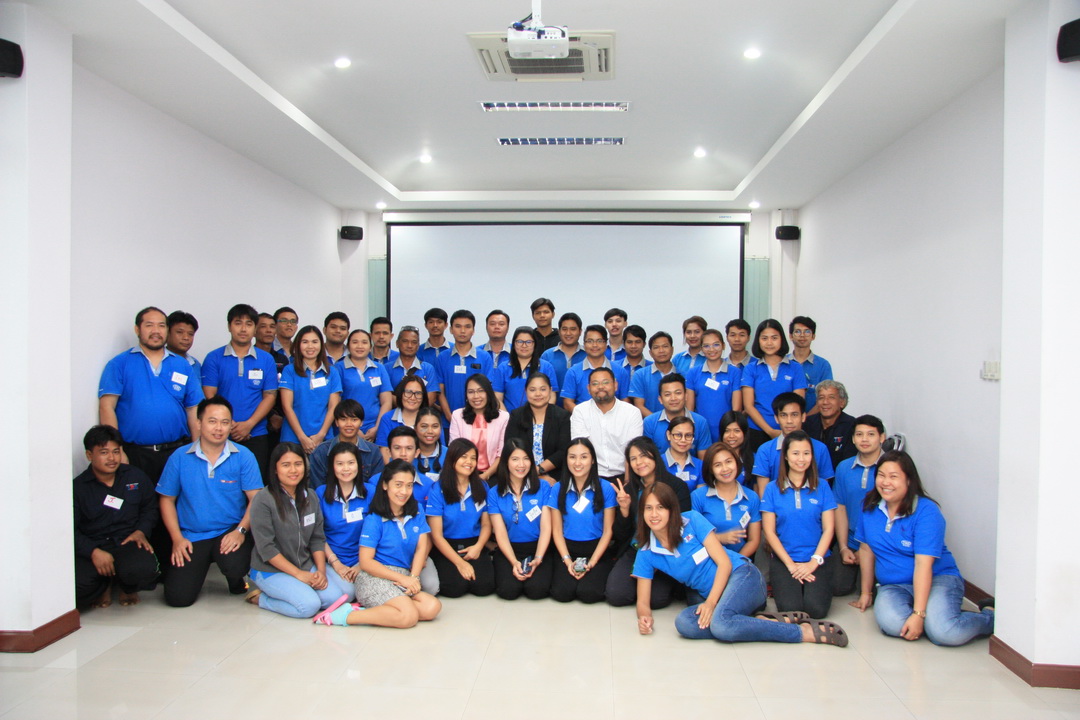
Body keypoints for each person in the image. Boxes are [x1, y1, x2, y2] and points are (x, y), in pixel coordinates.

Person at [633, 483, 848, 646]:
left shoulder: (692, 520)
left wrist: (711, 604)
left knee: (721, 626)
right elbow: (643, 601)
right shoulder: (646, 552)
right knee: (684, 624)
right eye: (648, 508)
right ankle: (761, 621)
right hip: (719, 598)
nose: (654, 514)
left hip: (742, 576)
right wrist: (644, 617)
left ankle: (801, 633)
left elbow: (725, 564)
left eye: (660, 507)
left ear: (672, 510)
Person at [850, 451, 994, 646]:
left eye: (894, 476)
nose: (886, 482)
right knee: (893, 625)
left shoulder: (927, 511)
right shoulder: (869, 506)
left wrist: (918, 614)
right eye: (881, 475)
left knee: (945, 634)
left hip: (937, 579)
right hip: (894, 585)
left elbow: (923, 564)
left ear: (909, 480)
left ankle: (989, 617)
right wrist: (866, 593)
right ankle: (939, 616)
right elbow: (866, 550)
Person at [156, 396, 262, 607]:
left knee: (234, 565)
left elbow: (256, 499)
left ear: (231, 425)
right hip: (193, 534)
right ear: (198, 423)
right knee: (178, 598)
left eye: (225, 422)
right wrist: (177, 538)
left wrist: (240, 531)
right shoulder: (179, 457)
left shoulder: (244, 455)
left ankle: (235, 578)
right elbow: (166, 500)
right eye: (212, 421)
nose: (219, 428)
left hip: (229, 531)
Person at [314, 460, 442, 628]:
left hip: (403, 576)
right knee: (408, 617)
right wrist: (403, 579)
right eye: (398, 485)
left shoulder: (417, 510)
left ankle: (381, 610)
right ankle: (344, 616)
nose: (404, 491)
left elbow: (420, 548)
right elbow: (366, 562)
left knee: (432, 607)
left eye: (409, 485)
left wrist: (413, 578)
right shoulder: (374, 518)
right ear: (385, 485)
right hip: (375, 577)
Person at [246, 443, 353, 617]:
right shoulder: (263, 500)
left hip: (304, 563)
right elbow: (266, 548)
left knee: (337, 597)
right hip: (270, 570)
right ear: (275, 469)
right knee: (308, 606)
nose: (293, 470)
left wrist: (321, 571)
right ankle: (260, 598)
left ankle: (299, 590)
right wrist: (299, 575)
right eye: (286, 465)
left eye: (298, 464)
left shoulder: (310, 496)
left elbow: (317, 538)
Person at [99, 306, 203, 483]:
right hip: (135, 454)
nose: (156, 331)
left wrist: (197, 450)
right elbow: (106, 407)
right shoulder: (119, 363)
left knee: (176, 498)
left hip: (177, 452)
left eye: (161, 326)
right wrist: (118, 451)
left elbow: (193, 410)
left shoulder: (182, 365)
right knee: (139, 499)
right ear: (137, 329)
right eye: (149, 325)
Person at [73, 425, 159, 609]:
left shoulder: (135, 477)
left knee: (144, 570)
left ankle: (127, 587)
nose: (112, 458)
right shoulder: (78, 488)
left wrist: (141, 531)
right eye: (104, 452)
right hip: (94, 545)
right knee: (77, 585)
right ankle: (104, 584)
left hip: (127, 542)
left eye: (116, 451)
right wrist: (93, 551)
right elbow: (71, 529)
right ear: (89, 455)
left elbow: (150, 508)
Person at [760, 431, 838, 619]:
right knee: (791, 610)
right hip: (784, 560)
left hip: (817, 559)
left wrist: (813, 562)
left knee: (816, 610)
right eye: (795, 453)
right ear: (786, 456)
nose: (801, 459)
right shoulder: (772, 488)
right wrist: (791, 565)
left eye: (806, 453)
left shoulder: (822, 486)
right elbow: (769, 531)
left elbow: (829, 529)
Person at [606, 437, 691, 608]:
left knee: (656, 600)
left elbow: (683, 527)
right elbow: (621, 535)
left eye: (643, 455)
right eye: (633, 458)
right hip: (637, 549)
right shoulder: (628, 490)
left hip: (665, 551)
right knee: (617, 596)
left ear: (654, 456)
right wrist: (624, 509)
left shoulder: (676, 486)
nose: (639, 462)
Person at [200, 303, 279, 481]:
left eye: (249, 324)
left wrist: (249, 424)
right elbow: (209, 395)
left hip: (256, 433)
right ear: (229, 326)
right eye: (238, 323)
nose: (243, 329)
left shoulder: (266, 359)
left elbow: (270, 396)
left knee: (255, 484)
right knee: (223, 483)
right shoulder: (213, 358)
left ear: (255, 328)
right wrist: (229, 425)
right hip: (221, 434)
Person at [546, 438, 617, 603]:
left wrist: (592, 562)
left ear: (592, 460)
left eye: (584, 457)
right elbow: (557, 530)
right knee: (562, 593)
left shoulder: (605, 488)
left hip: (596, 550)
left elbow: (608, 531)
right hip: (567, 549)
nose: (577, 463)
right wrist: (567, 560)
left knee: (589, 594)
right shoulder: (558, 488)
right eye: (572, 457)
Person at [425, 438, 496, 598]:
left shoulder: (482, 486)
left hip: (474, 543)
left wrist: (478, 547)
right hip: (447, 545)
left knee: (484, 587)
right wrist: (460, 563)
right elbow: (436, 535)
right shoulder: (438, 489)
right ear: (452, 459)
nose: (469, 462)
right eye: (464, 457)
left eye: (473, 458)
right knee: (454, 588)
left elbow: (486, 525)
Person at [487, 439, 554, 600]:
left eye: (526, 459)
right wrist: (514, 562)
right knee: (508, 591)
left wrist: (538, 558)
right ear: (506, 462)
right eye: (515, 459)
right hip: (510, 549)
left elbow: (546, 528)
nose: (521, 465)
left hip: (539, 548)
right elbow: (500, 533)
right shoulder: (494, 493)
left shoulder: (543, 487)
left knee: (537, 591)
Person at [833, 414, 886, 596]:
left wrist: (867, 549)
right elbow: (840, 508)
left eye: (871, 434)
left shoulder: (891, 467)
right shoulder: (843, 468)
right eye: (859, 434)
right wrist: (843, 547)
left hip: (880, 544)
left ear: (882, 437)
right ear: (853, 439)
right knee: (837, 587)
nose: (864, 439)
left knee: (877, 592)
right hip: (851, 540)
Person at [315, 442, 373, 594]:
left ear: (359, 465)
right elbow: (317, 534)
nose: (346, 468)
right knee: (347, 592)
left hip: (364, 560)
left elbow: (379, 532)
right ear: (332, 467)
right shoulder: (320, 494)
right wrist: (336, 563)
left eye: (351, 463)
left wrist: (362, 564)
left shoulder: (371, 492)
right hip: (331, 559)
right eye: (340, 464)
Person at [740, 319, 807, 451]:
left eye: (774, 338)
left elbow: (798, 404)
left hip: (789, 431)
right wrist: (770, 431)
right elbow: (748, 406)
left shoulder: (795, 368)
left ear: (782, 339)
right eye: (764, 338)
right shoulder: (750, 368)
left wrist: (785, 430)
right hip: (757, 431)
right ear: (758, 341)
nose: (769, 343)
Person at [751, 393, 835, 496]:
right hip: (776, 505)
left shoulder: (820, 448)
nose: (789, 421)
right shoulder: (765, 450)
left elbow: (824, 492)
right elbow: (764, 494)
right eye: (783, 415)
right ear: (776, 418)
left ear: (803, 417)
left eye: (794, 415)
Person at [569, 367, 643, 482]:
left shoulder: (632, 412)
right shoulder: (580, 411)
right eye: (595, 384)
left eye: (605, 382)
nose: (600, 387)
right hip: (591, 476)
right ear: (588, 389)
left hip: (624, 474)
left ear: (615, 385)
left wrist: (627, 483)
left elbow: (633, 450)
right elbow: (579, 448)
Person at [692, 442, 761, 558]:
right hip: (707, 562)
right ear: (711, 469)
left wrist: (736, 562)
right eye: (717, 465)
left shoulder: (752, 497)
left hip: (740, 561)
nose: (725, 469)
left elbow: (753, 540)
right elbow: (692, 537)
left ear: (737, 462)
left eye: (728, 462)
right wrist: (720, 538)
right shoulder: (698, 496)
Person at [279, 325, 342, 454]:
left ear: (321, 345)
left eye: (314, 342)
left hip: (323, 437)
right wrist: (302, 437)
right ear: (298, 345)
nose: (310, 346)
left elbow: (333, 407)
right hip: (293, 438)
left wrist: (321, 434)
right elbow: (287, 407)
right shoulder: (289, 371)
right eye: (305, 342)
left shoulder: (332, 372)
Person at [503, 373, 572, 483]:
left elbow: (563, 451)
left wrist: (539, 470)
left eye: (543, 389)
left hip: (555, 476)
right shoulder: (517, 415)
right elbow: (510, 448)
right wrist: (532, 475)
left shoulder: (562, 416)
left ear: (550, 390)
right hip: (520, 473)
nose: (538, 394)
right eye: (532, 390)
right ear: (526, 391)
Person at [308, 399, 385, 488]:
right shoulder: (321, 452)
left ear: (361, 423)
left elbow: (377, 486)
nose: (349, 424)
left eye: (354, 420)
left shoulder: (373, 451)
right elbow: (317, 488)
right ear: (336, 422)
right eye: (343, 419)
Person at [333, 329, 393, 442]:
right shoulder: (338, 368)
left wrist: (377, 427)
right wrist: (354, 429)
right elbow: (335, 403)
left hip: (375, 428)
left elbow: (387, 402)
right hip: (347, 428)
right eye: (355, 342)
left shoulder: (379, 368)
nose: (360, 346)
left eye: (364, 342)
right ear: (348, 346)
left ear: (370, 347)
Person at [436, 309, 495, 421]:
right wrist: (450, 417)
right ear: (451, 329)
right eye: (458, 326)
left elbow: (488, 391)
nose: (462, 331)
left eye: (467, 327)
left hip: (477, 420)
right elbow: (440, 391)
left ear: (473, 330)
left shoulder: (484, 357)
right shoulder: (442, 357)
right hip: (448, 421)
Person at [448, 374, 509, 480]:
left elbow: (502, 454)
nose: (476, 396)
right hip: (463, 473)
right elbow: (454, 450)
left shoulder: (503, 417)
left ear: (488, 393)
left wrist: (485, 476)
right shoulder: (457, 416)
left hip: (493, 475)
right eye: (471, 392)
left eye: (481, 391)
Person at [685, 328, 743, 436]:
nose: (711, 349)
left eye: (716, 345)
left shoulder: (735, 372)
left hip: (726, 430)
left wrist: (730, 431)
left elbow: (737, 409)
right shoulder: (693, 373)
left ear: (723, 345)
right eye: (706, 346)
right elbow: (690, 409)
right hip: (701, 430)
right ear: (701, 349)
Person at [560, 324, 630, 412]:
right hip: (583, 418)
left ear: (606, 344)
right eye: (590, 341)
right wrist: (584, 417)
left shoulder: (620, 371)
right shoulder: (573, 372)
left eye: (599, 341)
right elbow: (567, 402)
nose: (594, 345)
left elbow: (625, 400)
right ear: (584, 344)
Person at [641, 373, 712, 456]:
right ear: (660, 399)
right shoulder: (649, 422)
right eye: (667, 394)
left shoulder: (700, 422)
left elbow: (703, 459)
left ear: (686, 396)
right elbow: (648, 457)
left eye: (678, 393)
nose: (673, 398)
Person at [493, 326, 559, 412]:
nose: (524, 345)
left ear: (535, 344)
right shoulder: (503, 368)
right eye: (520, 342)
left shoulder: (546, 367)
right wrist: (507, 417)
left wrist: (541, 416)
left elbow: (552, 396)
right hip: (510, 417)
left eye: (528, 342)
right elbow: (497, 397)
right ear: (514, 344)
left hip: (540, 417)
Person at [803, 380, 857, 469]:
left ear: (842, 402)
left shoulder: (852, 426)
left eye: (831, 397)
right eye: (821, 398)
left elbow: (849, 463)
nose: (825, 402)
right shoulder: (806, 424)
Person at [787, 316, 833, 415]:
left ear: (813, 336)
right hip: (785, 420)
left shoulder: (823, 365)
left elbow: (826, 398)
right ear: (791, 336)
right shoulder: (783, 363)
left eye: (807, 332)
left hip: (814, 420)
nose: (802, 335)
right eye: (798, 331)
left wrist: (806, 419)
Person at [375, 376, 429, 455]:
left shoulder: (430, 419)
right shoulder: (387, 418)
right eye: (408, 392)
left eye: (418, 393)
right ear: (401, 394)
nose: (412, 398)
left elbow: (439, 448)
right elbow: (384, 452)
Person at [388, 325, 439, 405]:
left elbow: (431, 398)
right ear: (397, 343)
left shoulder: (428, 368)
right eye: (405, 341)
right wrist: (407, 407)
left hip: (421, 412)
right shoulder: (386, 368)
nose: (409, 345)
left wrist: (413, 409)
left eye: (414, 342)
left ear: (418, 346)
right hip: (395, 412)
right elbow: (385, 395)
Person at [629, 331, 676, 417]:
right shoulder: (640, 375)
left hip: (679, 424)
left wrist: (677, 423)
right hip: (650, 424)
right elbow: (639, 406)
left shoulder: (683, 375)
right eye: (656, 347)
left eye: (665, 346)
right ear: (650, 353)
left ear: (672, 350)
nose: (661, 351)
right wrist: (657, 422)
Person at [539, 311, 586, 391]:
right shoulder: (547, 355)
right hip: (553, 399)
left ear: (580, 332)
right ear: (559, 331)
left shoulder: (588, 354)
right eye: (564, 329)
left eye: (573, 329)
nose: (568, 333)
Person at [663, 415, 704, 491]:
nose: (683, 440)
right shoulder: (657, 462)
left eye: (688, 435)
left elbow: (700, 495)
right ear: (668, 435)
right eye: (678, 435)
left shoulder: (700, 465)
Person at [719, 410, 754, 487]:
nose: (731, 436)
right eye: (727, 431)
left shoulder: (755, 458)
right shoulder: (714, 458)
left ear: (744, 433)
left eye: (737, 431)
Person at [414, 406, 447, 483]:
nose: (430, 431)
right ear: (415, 428)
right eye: (424, 426)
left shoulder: (449, 454)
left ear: (441, 428)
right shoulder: (407, 454)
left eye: (435, 426)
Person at [166, 310, 202, 380]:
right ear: (167, 333)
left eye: (190, 334)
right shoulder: (157, 360)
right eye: (180, 332)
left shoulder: (195, 364)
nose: (186, 338)